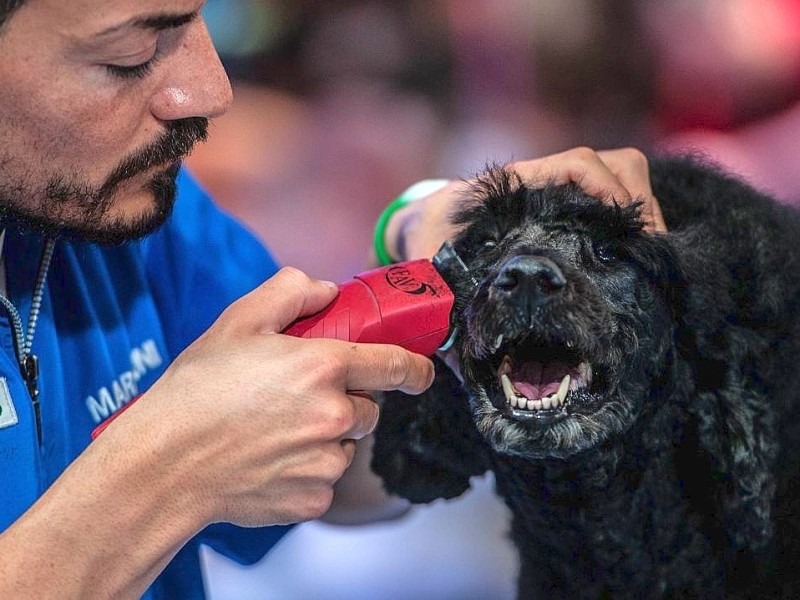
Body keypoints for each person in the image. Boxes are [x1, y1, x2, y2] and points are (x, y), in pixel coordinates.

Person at [0, 0, 666, 598]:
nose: (211, 90)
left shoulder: (114, 211)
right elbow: (207, 457)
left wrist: (443, 265)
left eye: (198, 18)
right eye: (130, 56)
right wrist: (163, 480)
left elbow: (340, 475)